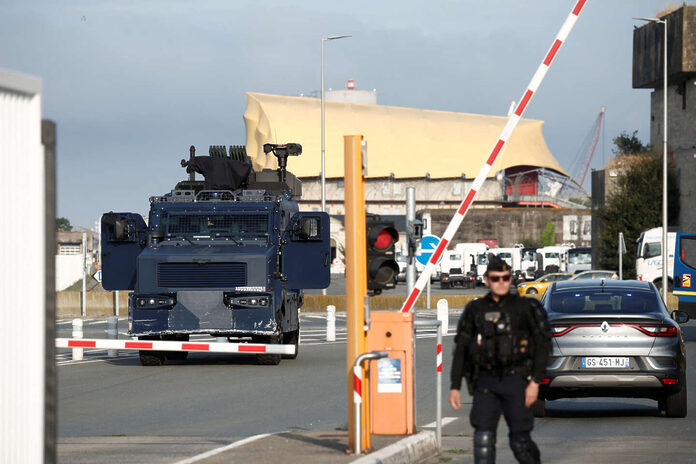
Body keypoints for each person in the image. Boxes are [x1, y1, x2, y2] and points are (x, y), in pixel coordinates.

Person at [448, 257, 551, 464]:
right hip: (485, 381)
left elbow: (543, 346)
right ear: (486, 280)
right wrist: (455, 386)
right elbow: (461, 349)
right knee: (483, 439)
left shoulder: (526, 308)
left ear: (510, 279)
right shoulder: (475, 310)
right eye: (496, 278)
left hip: (517, 380)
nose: (501, 282)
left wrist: (535, 382)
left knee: (520, 440)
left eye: (505, 278)